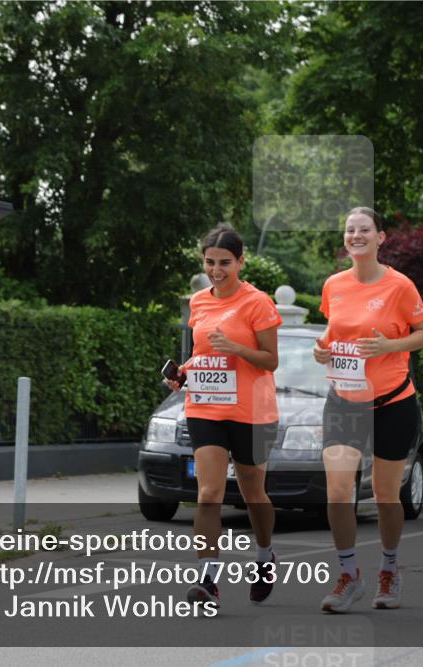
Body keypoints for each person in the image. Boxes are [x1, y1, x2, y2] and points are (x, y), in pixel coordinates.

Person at [312, 207, 423, 613]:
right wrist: (322, 350)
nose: (356, 235)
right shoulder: (334, 285)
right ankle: (349, 575)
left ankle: (390, 567)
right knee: (338, 491)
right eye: (350, 230)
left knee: (386, 495)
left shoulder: (400, 286)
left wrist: (389, 347)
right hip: (344, 401)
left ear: (381, 237)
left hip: (392, 402)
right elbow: (334, 333)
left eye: (364, 229)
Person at [165, 224, 282, 609]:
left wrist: (235, 346)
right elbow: (202, 355)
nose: (217, 270)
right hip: (205, 406)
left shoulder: (258, 302)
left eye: (225, 263)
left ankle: (265, 557)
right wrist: (182, 373)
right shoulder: (198, 302)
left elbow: (271, 360)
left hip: (251, 410)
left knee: (253, 494)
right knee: (209, 493)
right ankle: (208, 580)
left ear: (241, 261)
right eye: (210, 262)